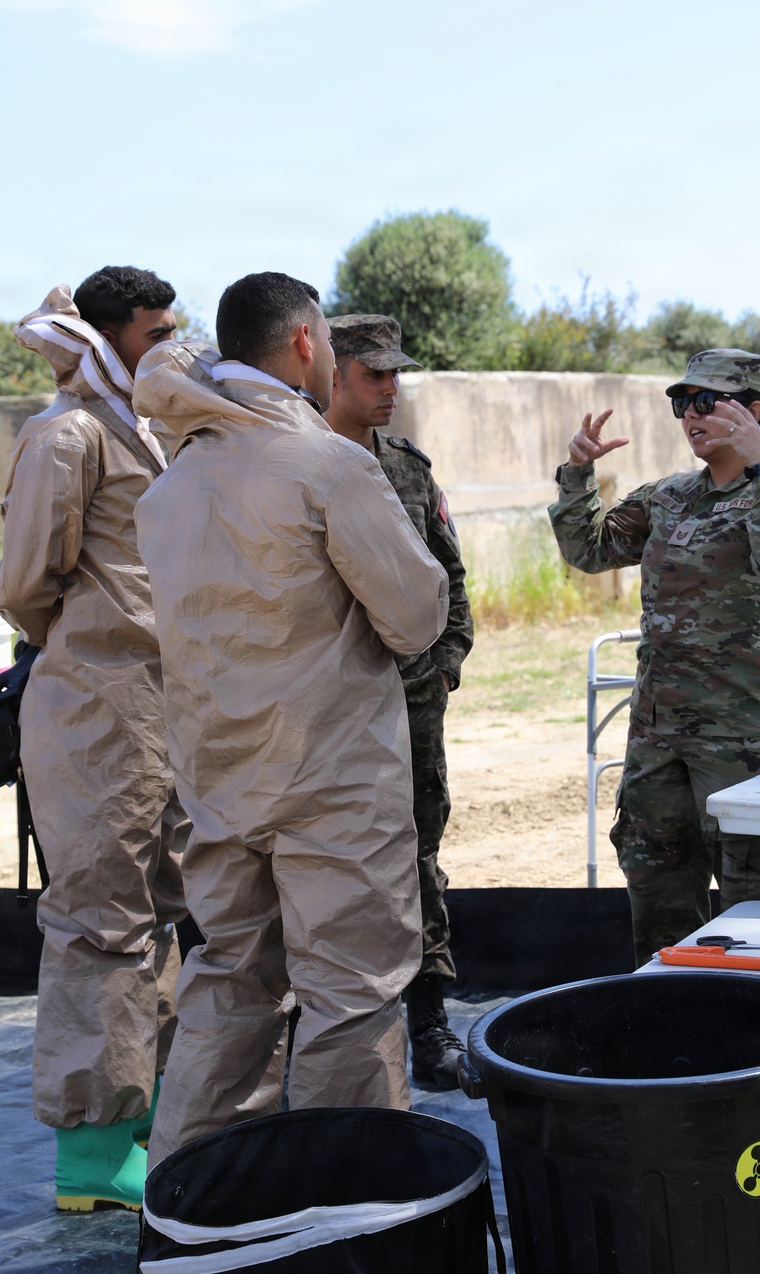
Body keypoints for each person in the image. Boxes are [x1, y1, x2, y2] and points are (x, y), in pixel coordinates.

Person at [133, 273, 449, 1166]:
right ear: (308, 344)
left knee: (229, 983)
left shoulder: (177, 475)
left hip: (219, 782)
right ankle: (343, 1214)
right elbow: (417, 617)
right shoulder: (327, 465)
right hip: (332, 784)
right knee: (350, 997)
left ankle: (189, 1205)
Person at [0, 267, 189, 1211]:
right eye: (156, 331)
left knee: (159, 909)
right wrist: (89, 640)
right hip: (96, 708)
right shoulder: (66, 436)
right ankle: (94, 1154)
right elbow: (27, 583)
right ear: (111, 339)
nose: (170, 345)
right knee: (100, 920)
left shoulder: (144, 429)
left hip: (162, 706)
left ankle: (148, 1111)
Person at [549, 348, 760, 966]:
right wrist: (577, 477)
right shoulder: (669, 497)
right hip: (659, 735)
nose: (691, 417)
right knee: (658, 896)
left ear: (753, 410)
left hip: (745, 736)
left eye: (708, 402)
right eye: (684, 404)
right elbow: (590, 552)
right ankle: (669, 1034)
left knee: (751, 900)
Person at [325, 314, 474, 1090]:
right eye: (373, 374)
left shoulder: (408, 469)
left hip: (408, 704)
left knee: (417, 859)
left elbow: (451, 579)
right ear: (329, 371)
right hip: (318, 710)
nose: (390, 388)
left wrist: (442, 669)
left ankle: (430, 1021)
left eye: (395, 374)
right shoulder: (292, 465)